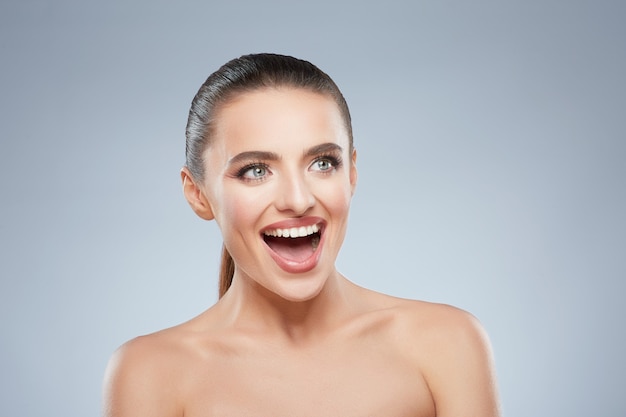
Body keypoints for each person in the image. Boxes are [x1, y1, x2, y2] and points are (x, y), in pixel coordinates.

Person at [102, 53, 500, 417]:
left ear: (352, 173)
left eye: (322, 163)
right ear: (198, 194)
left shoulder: (446, 343)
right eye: (256, 170)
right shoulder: (149, 371)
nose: (297, 199)